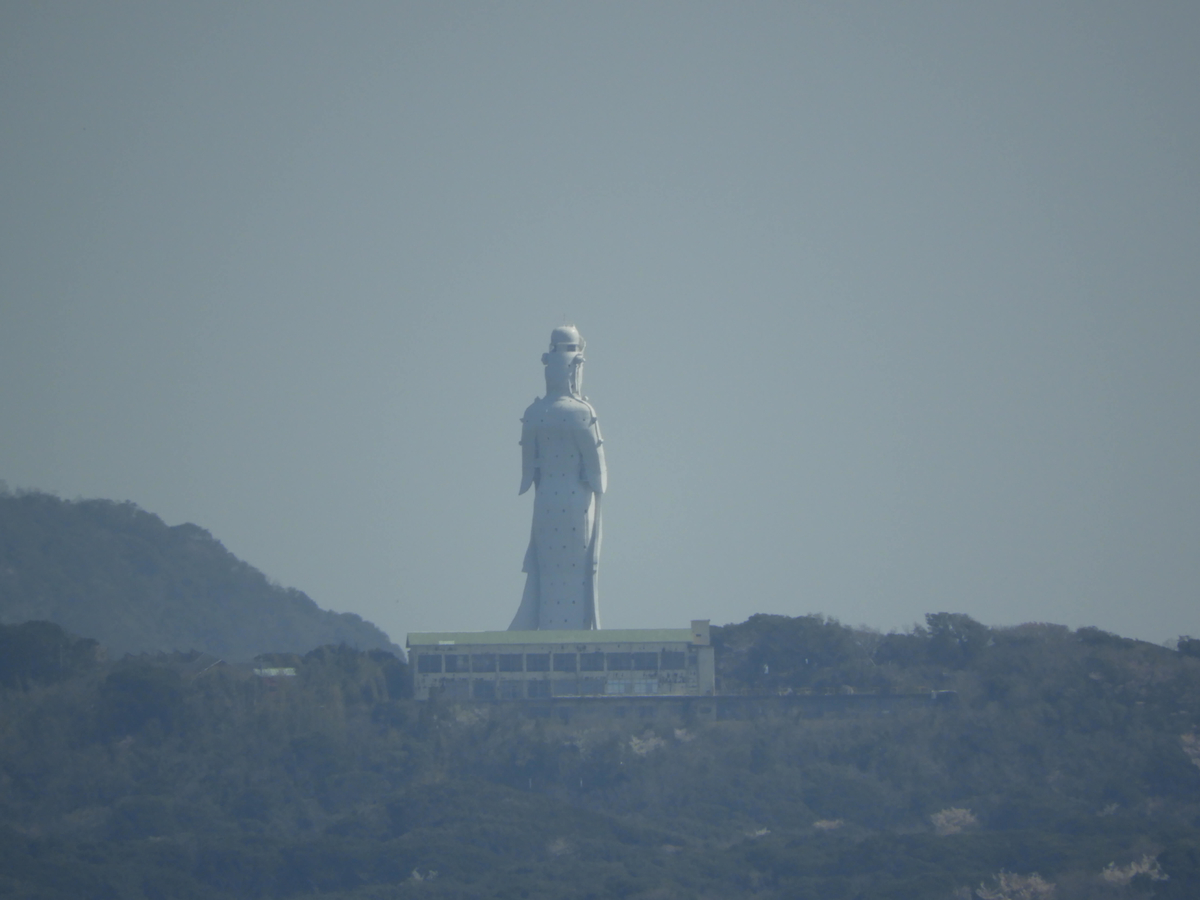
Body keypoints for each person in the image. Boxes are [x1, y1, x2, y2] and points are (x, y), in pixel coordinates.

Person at [507, 326, 606, 630]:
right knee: (577, 576)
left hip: (547, 499)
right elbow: (599, 476)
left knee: (548, 576)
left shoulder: (535, 413)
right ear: (577, 366)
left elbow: (528, 473)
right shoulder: (582, 412)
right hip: (577, 503)